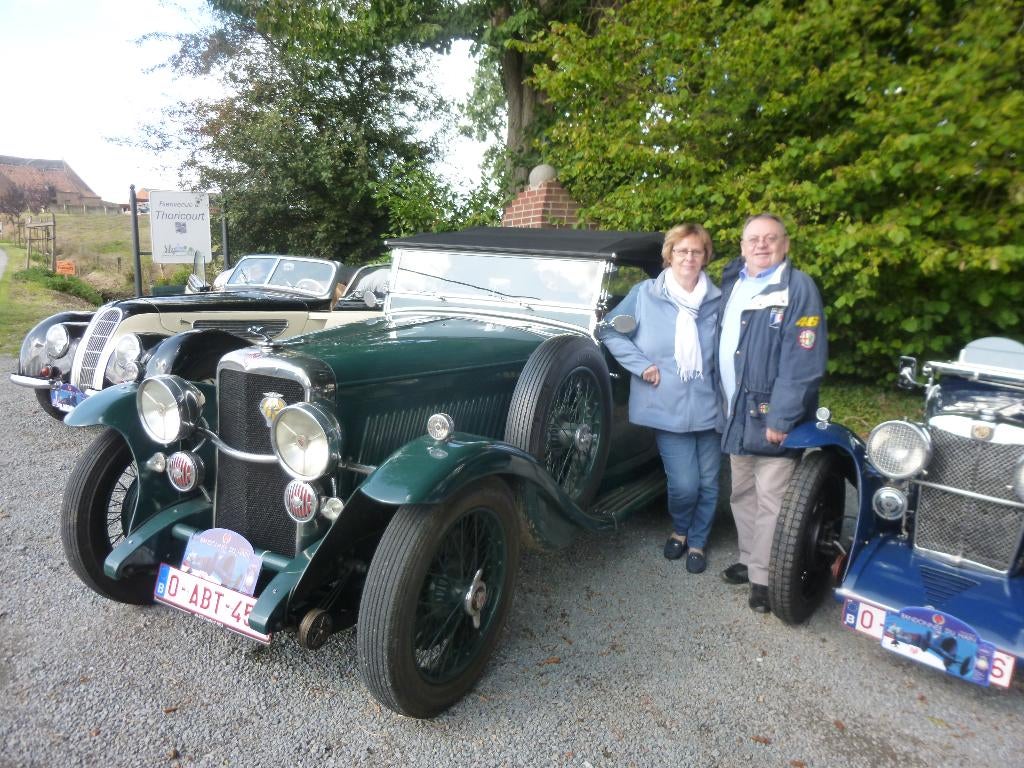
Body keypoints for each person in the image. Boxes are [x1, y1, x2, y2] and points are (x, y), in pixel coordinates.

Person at [716, 213, 827, 612]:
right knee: (742, 493)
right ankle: (749, 560)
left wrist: (782, 418)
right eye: (753, 239)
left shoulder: (798, 288)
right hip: (735, 415)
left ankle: (765, 578)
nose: (761, 245)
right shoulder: (733, 284)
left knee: (773, 501)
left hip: (770, 418)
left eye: (770, 239)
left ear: (785, 245)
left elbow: (804, 361)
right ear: (743, 246)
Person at [600, 224, 723, 574]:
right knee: (685, 485)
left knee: (710, 483)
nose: (689, 257)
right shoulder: (645, 295)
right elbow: (610, 331)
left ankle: (698, 541)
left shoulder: (717, 300)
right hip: (666, 405)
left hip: (711, 404)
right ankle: (680, 529)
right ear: (669, 255)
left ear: (705, 257)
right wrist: (642, 367)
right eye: (682, 251)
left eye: (696, 251)